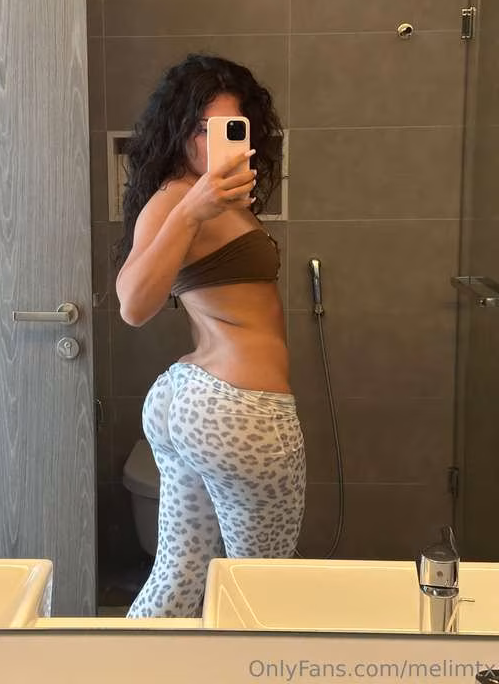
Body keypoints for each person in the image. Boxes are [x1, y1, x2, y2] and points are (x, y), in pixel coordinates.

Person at [115, 54, 306, 618]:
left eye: (228, 128)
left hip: (197, 400)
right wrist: (191, 211)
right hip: (243, 413)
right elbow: (133, 304)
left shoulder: (210, 196)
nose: (210, 142)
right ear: (177, 130)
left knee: (179, 572)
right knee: (261, 590)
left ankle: (129, 663)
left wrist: (203, 205)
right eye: (200, 128)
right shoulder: (178, 199)